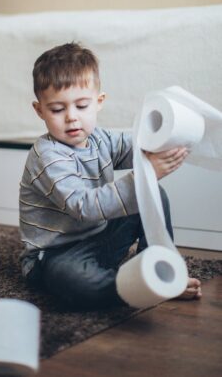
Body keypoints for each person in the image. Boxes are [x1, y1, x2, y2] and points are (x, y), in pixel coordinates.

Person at [19, 42, 202, 309]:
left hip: (100, 239)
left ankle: (159, 270)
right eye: (58, 110)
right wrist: (147, 172)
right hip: (55, 256)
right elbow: (83, 206)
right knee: (73, 280)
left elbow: (139, 146)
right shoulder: (47, 156)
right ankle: (140, 288)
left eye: (81, 106)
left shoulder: (100, 138)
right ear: (40, 110)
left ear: (98, 102)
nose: (71, 118)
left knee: (152, 193)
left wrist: (168, 139)